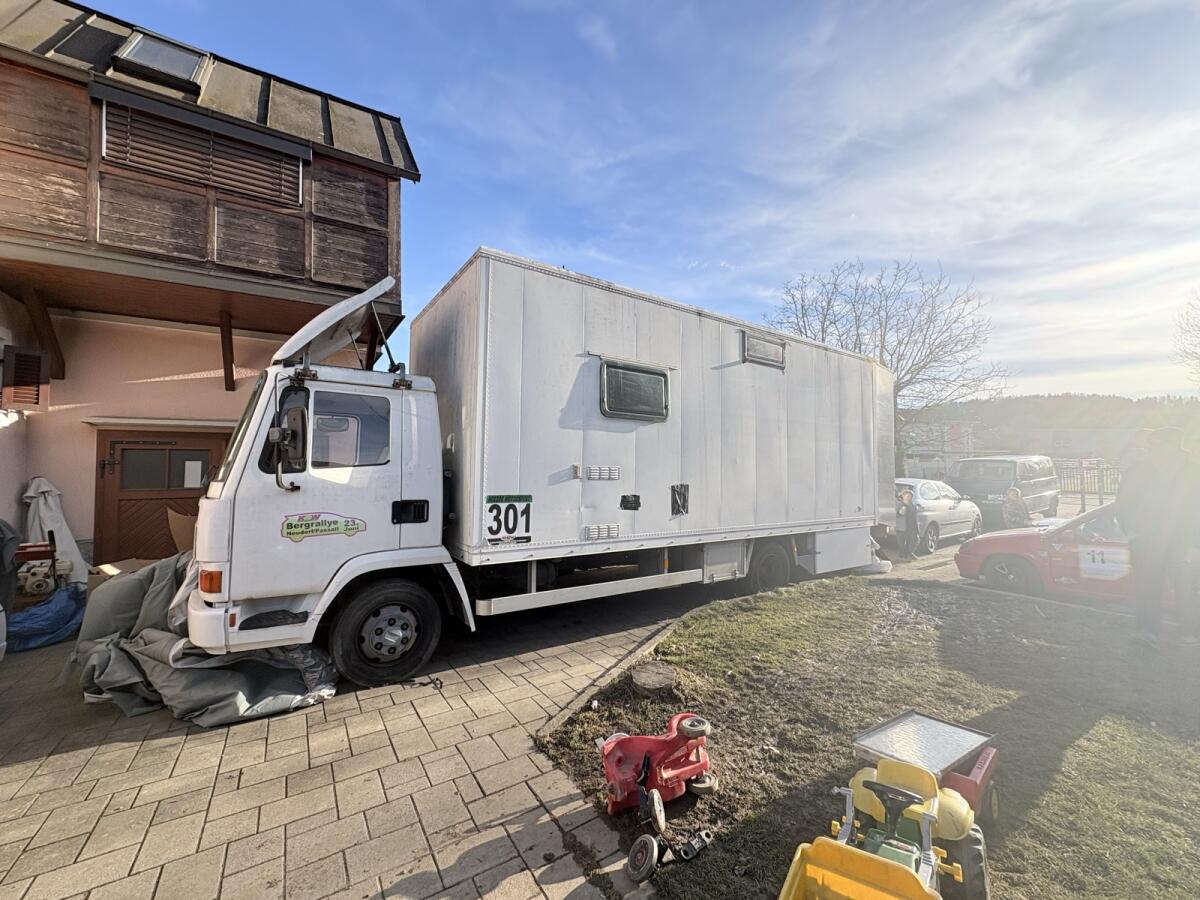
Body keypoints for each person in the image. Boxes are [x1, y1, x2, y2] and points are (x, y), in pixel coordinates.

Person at [1114, 427, 1196, 650]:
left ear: (1176, 447)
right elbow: (1123, 503)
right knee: (1147, 587)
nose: (1156, 451)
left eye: (1161, 446)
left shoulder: (1192, 472)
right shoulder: (1139, 470)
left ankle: (1190, 633)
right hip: (1146, 541)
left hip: (1182, 543)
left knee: (1186, 588)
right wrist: (1131, 532)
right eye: (1154, 446)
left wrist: (1194, 544)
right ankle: (1147, 631)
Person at [897, 489, 919, 559]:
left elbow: (914, 513)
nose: (909, 498)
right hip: (901, 527)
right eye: (907, 496)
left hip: (911, 526)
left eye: (910, 496)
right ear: (903, 496)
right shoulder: (899, 503)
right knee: (901, 543)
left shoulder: (912, 504)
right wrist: (904, 506)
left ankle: (910, 553)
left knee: (915, 540)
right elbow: (899, 514)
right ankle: (904, 555)